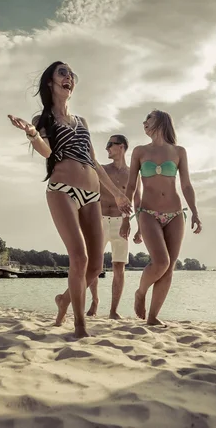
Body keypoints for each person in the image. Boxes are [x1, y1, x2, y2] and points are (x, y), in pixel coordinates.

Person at [8, 61, 131, 338]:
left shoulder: (82, 122)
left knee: (96, 266)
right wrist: (31, 133)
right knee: (79, 256)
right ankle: (79, 325)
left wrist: (117, 193)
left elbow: (95, 163)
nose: (69, 78)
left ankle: (64, 300)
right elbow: (45, 150)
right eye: (63, 73)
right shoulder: (44, 120)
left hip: (92, 194)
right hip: (62, 190)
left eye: (71, 75)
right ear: (50, 82)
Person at [121, 110, 202, 326]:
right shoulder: (139, 151)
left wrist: (194, 211)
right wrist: (125, 218)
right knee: (161, 262)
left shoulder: (179, 151)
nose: (144, 122)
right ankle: (140, 292)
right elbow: (130, 186)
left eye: (148, 119)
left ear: (161, 121)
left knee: (170, 266)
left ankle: (153, 316)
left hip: (175, 213)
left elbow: (185, 184)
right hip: (148, 213)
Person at [86, 134, 142, 319]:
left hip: (121, 223)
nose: (107, 148)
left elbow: (137, 201)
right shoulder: (102, 170)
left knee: (119, 266)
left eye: (110, 144)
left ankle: (113, 311)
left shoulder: (132, 174)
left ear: (122, 147)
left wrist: (139, 227)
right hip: (100, 220)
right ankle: (94, 301)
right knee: (94, 264)